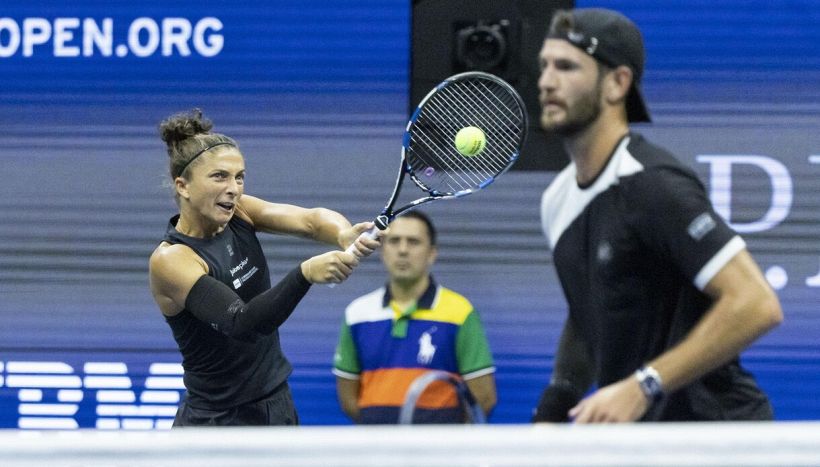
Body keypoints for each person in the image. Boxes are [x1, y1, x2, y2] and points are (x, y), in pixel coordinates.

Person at [532, 8, 783, 423]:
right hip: (643, 439)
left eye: (566, 67)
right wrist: (553, 409)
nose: (545, 82)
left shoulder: (653, 185)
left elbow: (756, 303)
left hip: (718, 434)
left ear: (618, 83)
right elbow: (586, 316)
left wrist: (643, 384)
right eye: (543, 66)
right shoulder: (556, 199)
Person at [148, 108, 381, 426]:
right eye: (219, 176)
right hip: (217, 422)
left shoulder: (240, 212)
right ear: (183, 186)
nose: (234, 188)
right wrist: (304, 275)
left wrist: (342, 233)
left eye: (239, 176)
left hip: (275, 404)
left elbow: (311, 221)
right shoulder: (172, 260)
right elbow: (242, 323)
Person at [333, 211, 497, 424]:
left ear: (431, 253)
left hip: (439, 454)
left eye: (413, 242)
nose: (402, 250)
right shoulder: (357, 314)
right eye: (394, 241)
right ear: (382, 251)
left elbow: (484, 398)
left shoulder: (460, 312)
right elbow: (349, 401)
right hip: (377, 453)